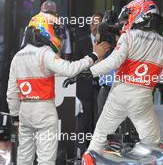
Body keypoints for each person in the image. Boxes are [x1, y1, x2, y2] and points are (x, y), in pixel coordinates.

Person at [6, 11, 110, 164]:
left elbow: (12, 92)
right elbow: (69, 69)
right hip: (44, 112)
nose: (58, 34)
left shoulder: (17, 56)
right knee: (46, 159)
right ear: (44, 30)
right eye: (54, 30)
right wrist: (93, 56)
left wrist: (15, 115)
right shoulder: (45, 53)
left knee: (23, 157)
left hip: (24, 112)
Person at [86, 0, 163, 152]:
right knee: (153, 146)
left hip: (119, 95)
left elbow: (113, 62)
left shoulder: (129, 36)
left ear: (139, 14)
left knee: (99, 139)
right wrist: (149, 76)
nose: (126, 21)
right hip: (143, 98)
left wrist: (89, 72)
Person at [74, 13, 103, 156]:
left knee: (98, 121)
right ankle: (82, 152)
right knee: (83, 122)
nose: (94, 27)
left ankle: (96, 153)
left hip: (101, 88)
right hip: (84, 88)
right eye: (92, 23)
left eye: (98, 24)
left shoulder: (108, 43)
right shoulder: (81, 42)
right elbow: (75, 66)